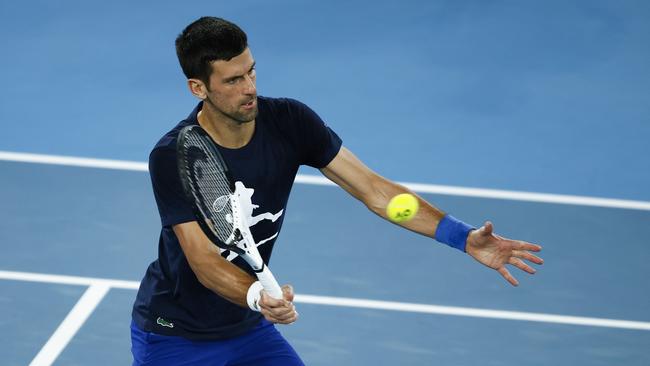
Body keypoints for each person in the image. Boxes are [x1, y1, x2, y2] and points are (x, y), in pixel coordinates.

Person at [131, 16, 543, 366]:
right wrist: (257, 295)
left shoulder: (290, 121)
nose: (250, 87)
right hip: (174, 338)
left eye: (252, 71)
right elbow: (203, 261)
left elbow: (374, 190)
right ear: (198, 88)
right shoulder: (176, 156)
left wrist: (461, 236)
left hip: (246, 330)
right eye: (234, 79)